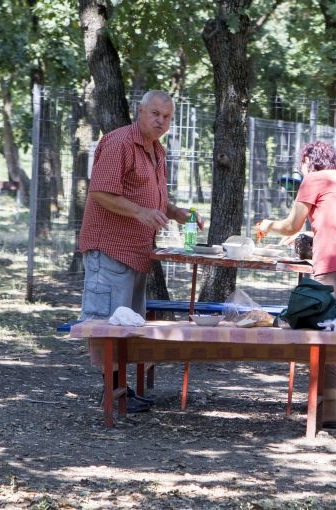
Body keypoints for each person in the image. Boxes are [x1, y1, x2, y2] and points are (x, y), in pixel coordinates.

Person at [79, 90, 204, 412]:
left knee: (128, 325)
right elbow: (101, 193)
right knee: (108, 326)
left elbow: (150, 197)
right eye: (155, 114)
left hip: (136, 253)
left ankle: (122, 391)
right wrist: (140, 212)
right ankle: (111, 395)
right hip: (110, 249)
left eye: (167, 116)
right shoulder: (120, 142)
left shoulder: (156, 149)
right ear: (140, 111)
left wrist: (175, 211)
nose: (161, 121)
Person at [256, 141, 336, 431]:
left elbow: (290, 225)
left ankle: (327, 414)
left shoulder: (314, 179)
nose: (300, 168)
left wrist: (267, 225)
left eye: (301, 163)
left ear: (309, 160)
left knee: (324, 342)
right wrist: (313, 234)